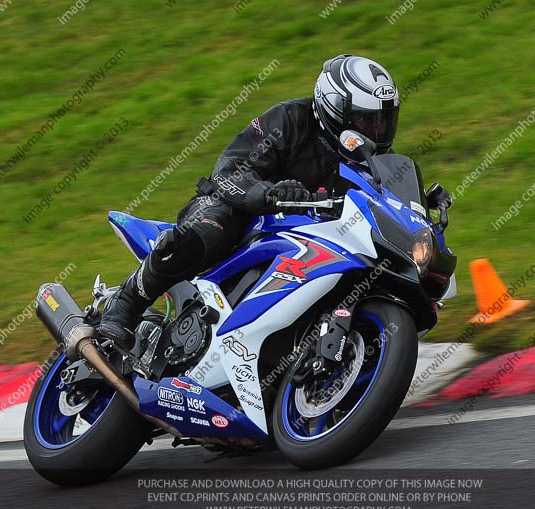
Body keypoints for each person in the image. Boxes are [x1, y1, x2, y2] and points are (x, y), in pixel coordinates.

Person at [98, 54, 402, 349]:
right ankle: (123, 306)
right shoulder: (290, 119)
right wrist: (268, 193)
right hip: (239, 209)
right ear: (335, 109)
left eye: (382, 121)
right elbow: (229, 169)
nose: (375, 131)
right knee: (212, 228)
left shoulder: (373, 160)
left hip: (314, 238)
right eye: (366, 121)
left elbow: (382, 202)